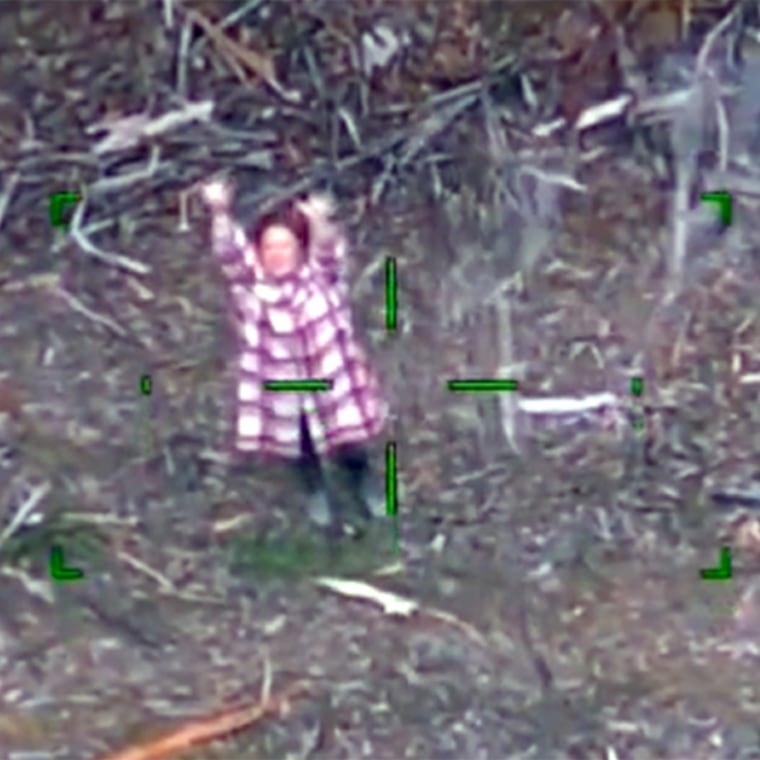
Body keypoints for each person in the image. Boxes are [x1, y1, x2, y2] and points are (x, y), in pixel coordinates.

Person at [200, 179, 387, 535]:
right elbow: (229, 253)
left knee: (348, 437)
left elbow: (329, 250)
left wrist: (318, 221)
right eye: (269, 247)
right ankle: (315, 489)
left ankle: (362, 479)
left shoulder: (321, 278)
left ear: (299, 249)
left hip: (330, 378)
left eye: (285, 246)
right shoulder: (251, 286)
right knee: (300, 443)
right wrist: (220, 212)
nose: (277, 253)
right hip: (285, 384)